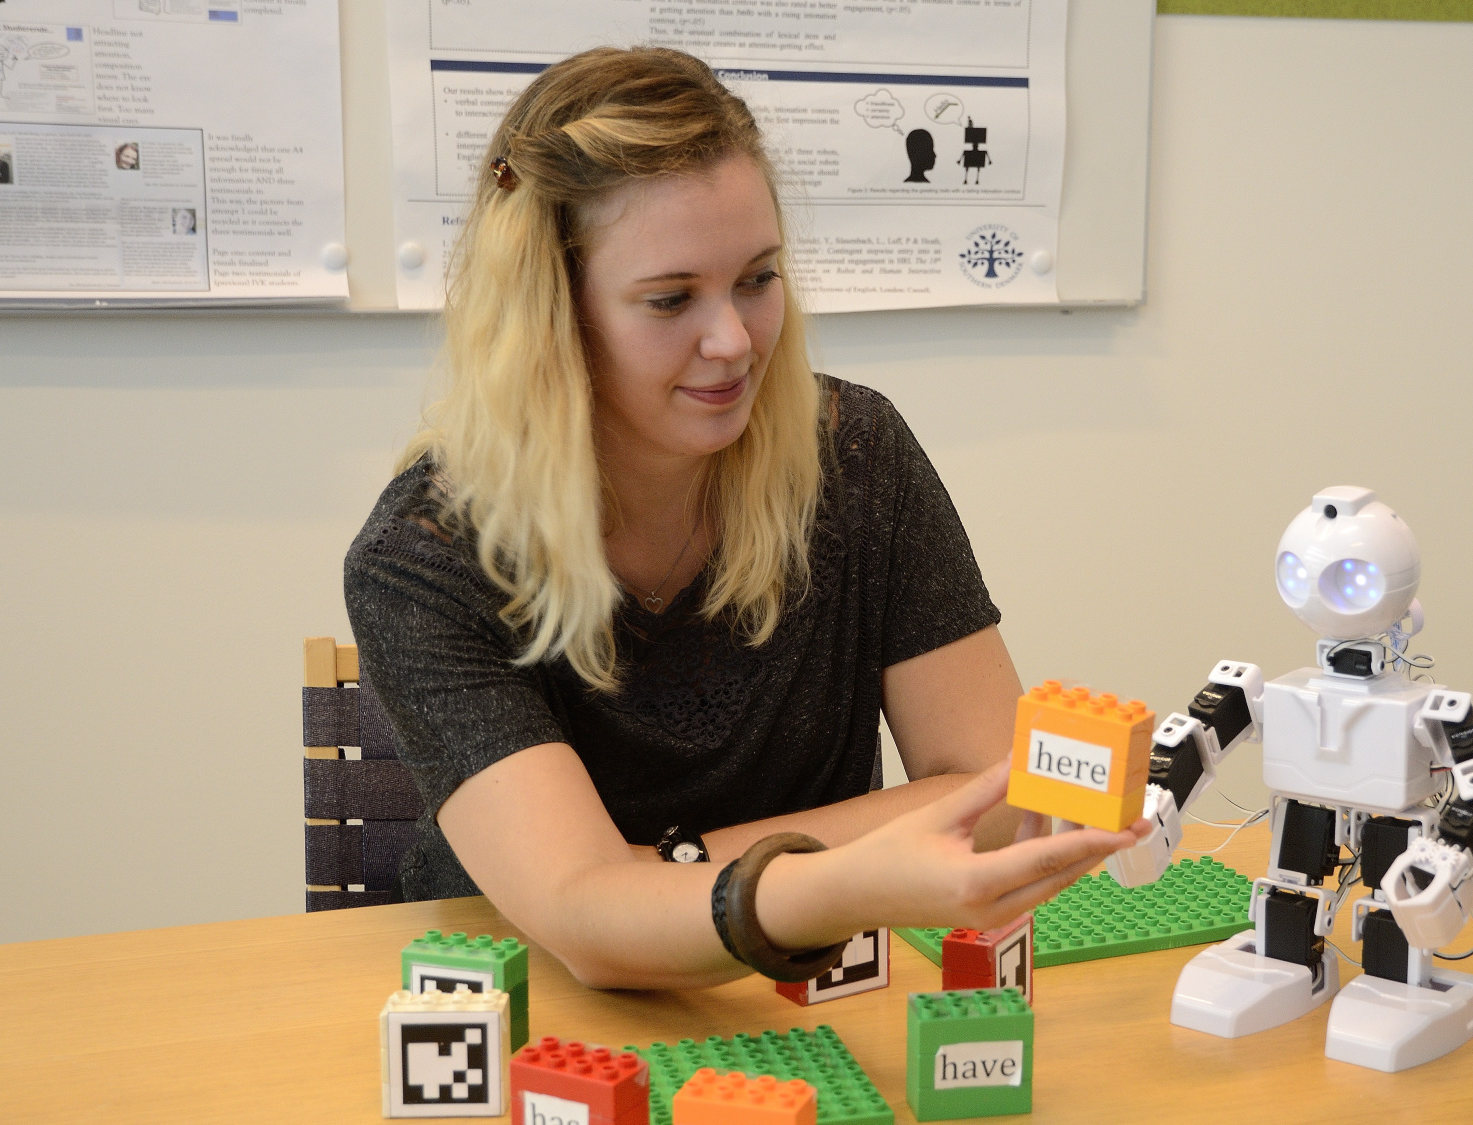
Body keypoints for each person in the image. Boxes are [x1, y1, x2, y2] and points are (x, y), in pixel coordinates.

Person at [344, 47, 1145, 991]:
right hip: (535, 997)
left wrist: (658, 871)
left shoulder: (856, 457)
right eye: (672, 298)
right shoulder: (423, 559)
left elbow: (993, 796)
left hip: (812, 1002)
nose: (732, 342)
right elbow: (586, 930)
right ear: (554, 313)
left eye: (758, 279)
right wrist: (833, 877)